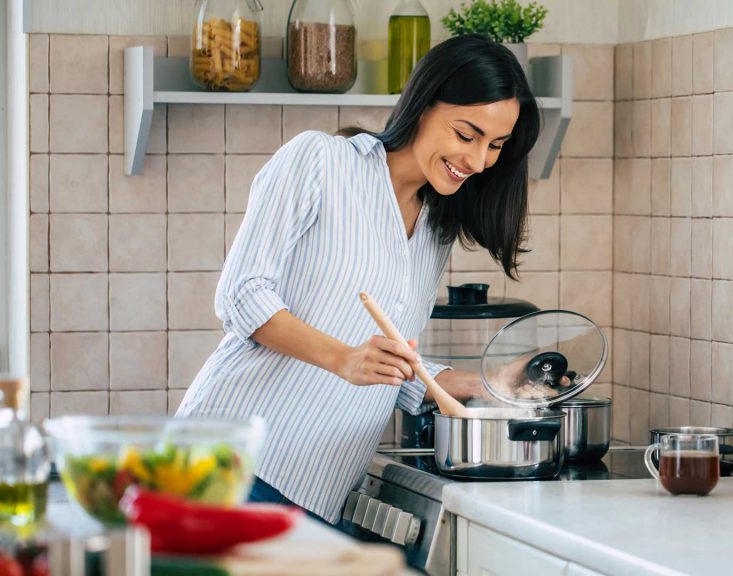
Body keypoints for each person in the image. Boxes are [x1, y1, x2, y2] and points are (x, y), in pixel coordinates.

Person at [176, 33, 540, 524]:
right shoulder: (321, 161)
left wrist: (488, 384)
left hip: (319, 490)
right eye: (466, 134)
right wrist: (344, 359)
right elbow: (241, 296)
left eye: (495, 145)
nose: (477, 161)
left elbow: (387, 361)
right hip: (225, 466)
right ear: (425, 104)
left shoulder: (436, 226)